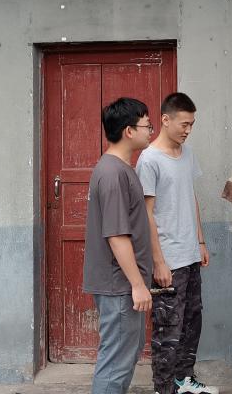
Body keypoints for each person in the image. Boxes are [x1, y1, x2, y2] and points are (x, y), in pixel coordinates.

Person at [137, 92, 217, 394]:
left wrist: (200, 241)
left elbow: (190, 196)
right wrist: (159, 262)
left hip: (190, 254)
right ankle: (163, 388)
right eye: (184, 124)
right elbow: (146, 214)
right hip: (168, 259)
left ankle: (184, 381)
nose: (188, 130)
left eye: (192, 124)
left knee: (192, 322)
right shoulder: (149, 160)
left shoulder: (187, 154)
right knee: (167, 331)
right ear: (165, 120)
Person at [83, 97, 155, 394]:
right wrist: (137, 285)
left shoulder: (120, 169)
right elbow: (116, 236)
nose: (150, 131)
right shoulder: (113, 173)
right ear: (129, 131)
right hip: (119, 285)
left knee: (124, 356)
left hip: (121, 284)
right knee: (115, 364)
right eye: (147, 125)